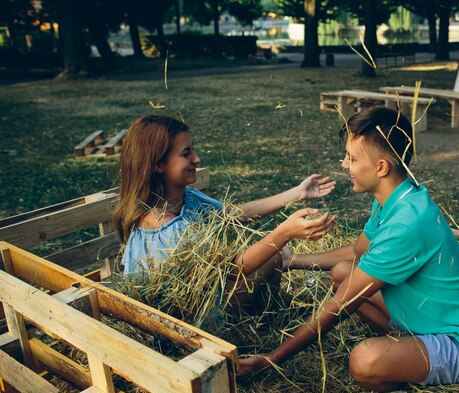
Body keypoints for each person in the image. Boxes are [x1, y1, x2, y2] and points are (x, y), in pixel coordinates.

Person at [237, 106, 459, 391]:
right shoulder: (395, 197)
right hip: (427, 317)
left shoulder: (407, 224)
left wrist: (272, 358)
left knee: (365, 361)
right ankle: (407, 348)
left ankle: (411, 363)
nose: (344, 164)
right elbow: (356, 253)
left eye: (351, 158)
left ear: (381, 167)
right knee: (341, 273)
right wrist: (291, 260)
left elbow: (338, 307)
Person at [113, 114, 337, 312]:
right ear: (158, 165)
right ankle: (261, 325)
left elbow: (232, 214)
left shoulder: (185, 198)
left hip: (207, 297)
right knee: (274, 254)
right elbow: (233, 270)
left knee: (274, 255)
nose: (197, 159)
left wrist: (297, 193)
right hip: (195, 323)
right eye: (186, 153)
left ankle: (267, 319)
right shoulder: (167, 229)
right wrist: (284, 233)